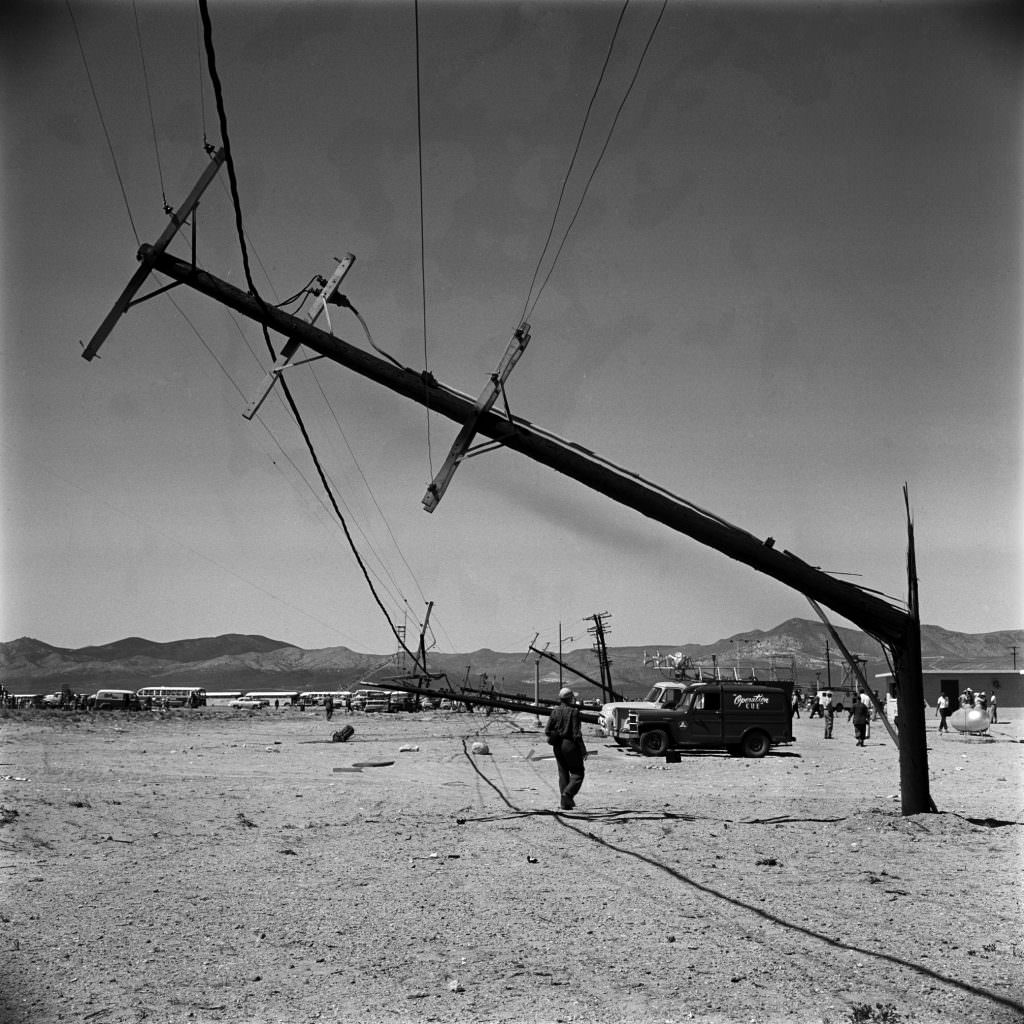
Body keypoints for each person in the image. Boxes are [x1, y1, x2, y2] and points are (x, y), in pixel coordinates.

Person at [545, 687, 587, 811]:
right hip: (570, 745)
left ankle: (565, 804)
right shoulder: (574, 712)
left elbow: (547, 730)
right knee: (578, 772)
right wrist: (583, 749)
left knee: (563, 773)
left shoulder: (554, 712)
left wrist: (556, 734)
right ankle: (567, 794)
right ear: (570, 698)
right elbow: (576, 733)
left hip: (557, 746)